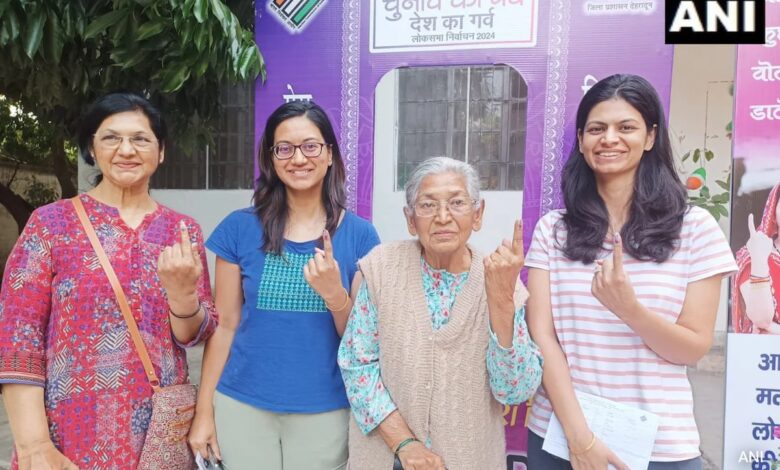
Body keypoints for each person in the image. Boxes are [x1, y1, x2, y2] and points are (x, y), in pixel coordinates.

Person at [525, 74, 737, 470]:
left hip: (659, 447)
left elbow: (691, 348)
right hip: (560, 437)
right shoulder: (554, 229)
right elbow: (543, 337)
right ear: (582, 140)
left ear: (651, 137)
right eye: (596, 129)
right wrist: (581, 438)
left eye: (626, 127)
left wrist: (630, 310)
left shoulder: (694, 228)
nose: (609, 139)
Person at [0, 92, 217, 469]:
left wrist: (183, 297)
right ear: (91, 148)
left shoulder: (181, 231)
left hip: (158, 435)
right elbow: (18, 336)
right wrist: (34, 443)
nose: (126, 150)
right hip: (67, 433)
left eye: (141, 138)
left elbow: (193, 336)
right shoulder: (51, 225)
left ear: (161, 151)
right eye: (111, 138)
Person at [188, 100, 380, 469]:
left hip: (325, 408)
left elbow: (361, 339)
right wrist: (204, 411)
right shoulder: (239, 228)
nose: (298, 159)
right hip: (241, 404)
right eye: (285, 148)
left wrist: (334, 295)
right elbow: (224, 326)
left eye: (311, 146)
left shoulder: (360, 235)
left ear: (329, 155)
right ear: (271, 158)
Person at [338, 156, 543, 470]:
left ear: (478, 214)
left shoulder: (501, 281)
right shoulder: (382, 268)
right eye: (428, 205)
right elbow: (357, 364)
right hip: (383, 458)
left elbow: (514, 389)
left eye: (457, 202)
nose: (443, 217)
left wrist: (502, 302)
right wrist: (405, 444)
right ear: (410, 219)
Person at [733, 182, 780, 334]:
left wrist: (774, 329)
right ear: (774, 207)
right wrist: (759, 262)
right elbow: (762, 320)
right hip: (767, 356)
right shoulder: (754, 254)